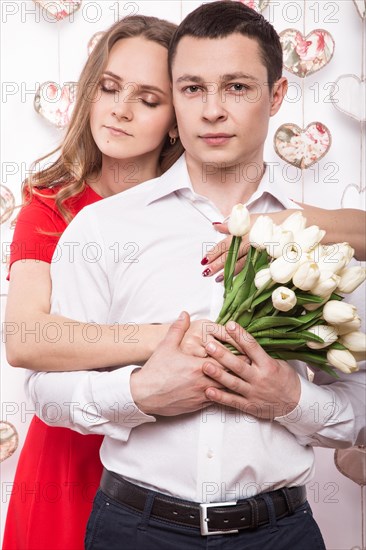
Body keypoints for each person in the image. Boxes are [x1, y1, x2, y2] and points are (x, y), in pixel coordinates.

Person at [24, 2, 365, 549]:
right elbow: (44, 394)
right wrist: (140, 393)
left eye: (236, 87)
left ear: (276, 96)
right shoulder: (103, 226)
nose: (212, 111)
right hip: (133, 529)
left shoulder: (322, 243)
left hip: (279, 533)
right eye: (190, 89)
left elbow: (358, 407)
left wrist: (291, 400)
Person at [3, 15, 197, 550]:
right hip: (66, 459)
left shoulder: (199, 215)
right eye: (109, 88)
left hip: (165, 459)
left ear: (177, 120)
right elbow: (25, 340)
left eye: (148, 99)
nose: (120, 109)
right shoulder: (51, 205)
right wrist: (160, 337)